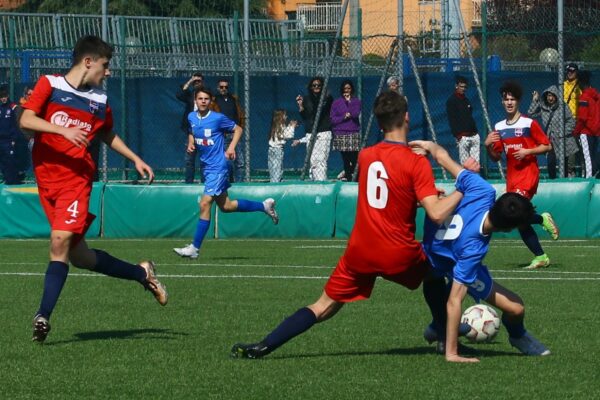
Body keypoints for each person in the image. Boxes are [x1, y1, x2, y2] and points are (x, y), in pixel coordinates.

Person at [230, 91, 465, 359]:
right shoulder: (416, 161)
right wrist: (462, 190)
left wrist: (419, 199)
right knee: (437, 274)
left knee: (322, 306)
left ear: (378, 123)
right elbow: (436, 213)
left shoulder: (366, 156)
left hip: (360, 250)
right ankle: (448, 336)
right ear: (407, 117)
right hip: (397, 252)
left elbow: (387, 195)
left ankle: (263, 346)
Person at [19, 35, 168, 343]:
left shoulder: (99, 101)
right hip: (47, 181)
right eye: (106, 65)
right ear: (88, 62)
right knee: (80, 257)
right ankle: (142, 274)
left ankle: (42, 316)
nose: (108, 72)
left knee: (58, 242)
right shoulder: (49, 84)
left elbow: (107, 135)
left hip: (76, 180)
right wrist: (63, 129)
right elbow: (26, 120)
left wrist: (135, 158)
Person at [413, 140, 551, 363]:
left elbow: (443, 157)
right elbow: (455, 301)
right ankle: (516, 336)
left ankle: (438, 327)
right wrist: (452, 353)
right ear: (508, 229)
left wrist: (428, 145)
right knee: (516, 308)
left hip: (430, 252)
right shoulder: (474, 248)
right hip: (445, 260)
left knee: (433, 278)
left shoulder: (482, 189)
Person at [173, 86, 279, 259]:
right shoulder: (191, 117)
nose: (203, 102)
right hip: (206, 168)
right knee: (226, 206)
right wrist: (191, 142)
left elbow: (238, 129)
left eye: (206, 99)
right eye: (200, 99)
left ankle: (194, 248)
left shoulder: (217, 118)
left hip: (219, 167)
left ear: (211, 100)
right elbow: (192, 131)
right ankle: (264, 206)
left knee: (205, 204)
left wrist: (230, 147)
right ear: (195, 100)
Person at [484, 81, 559, 269]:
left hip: (528, 175)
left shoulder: (528, 123)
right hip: (512, 178)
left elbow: (547, 146)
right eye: (506, 99)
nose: (509, 102)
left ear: (518, 101)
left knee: (514, 212)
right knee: (520, 221)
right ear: (502, 102)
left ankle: (542, 221)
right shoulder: (499, 127)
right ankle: (541, 255)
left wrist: (527, 152)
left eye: (513, 99)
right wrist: (486, 146)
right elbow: (495, 157)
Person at [528, 85, 578, 178]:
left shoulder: (563, 107)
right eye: (548, 96)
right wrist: (535, 100)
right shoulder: (544, 108)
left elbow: (571, 121)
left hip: (563, 140)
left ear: (556, 96)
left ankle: (565, 180)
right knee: (551, 161)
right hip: (550, 140)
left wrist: (562, 132)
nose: (550, 98)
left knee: (565, 163)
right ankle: (553, 180)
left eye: (552, 96)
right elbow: (531, 113)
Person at [293, 76, 333, 181]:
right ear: (311, 87)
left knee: (321, 159)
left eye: (319, 85)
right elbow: (305, 116)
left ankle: (322, 181)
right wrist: (301, 106)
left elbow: (326, 111)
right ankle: (314, 180)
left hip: (323, 131)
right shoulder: (306, 99)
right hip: (310, 131)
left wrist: (324, 97)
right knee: (312, 159)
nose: (316, 87)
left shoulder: (327, 98)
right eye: (314, 85)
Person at [213, 78, 245, 182]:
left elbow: (240, 115)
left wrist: (240, 127)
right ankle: (227, 182)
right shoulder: (214, 100)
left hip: (235, 134)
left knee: (240, 161)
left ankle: (240, 183)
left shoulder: (233, 99)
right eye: (221, 87)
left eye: (226, 87)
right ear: (218, 88)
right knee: (225, 161)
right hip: (222, 134)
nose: (224, 89)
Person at [330, 79, 361, 181]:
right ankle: (348, 176)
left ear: (351, 89)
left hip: (353, 132)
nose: (347, 91)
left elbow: (355, 114)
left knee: (355, 158)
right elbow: (333, 119)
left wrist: (349, 103)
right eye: (345, 89)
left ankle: (356, 177)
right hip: (341, 132)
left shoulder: (356, 101)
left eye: (348, 88)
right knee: (346, 158)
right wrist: (343, 117)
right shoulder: (336, 102)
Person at [176, 72, 204, 183]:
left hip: (204, 130)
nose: (197, 83)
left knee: (204, 158)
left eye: (199, 81)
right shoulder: (190, 94)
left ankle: (205, 182)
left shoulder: (206, 94)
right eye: (195, 81)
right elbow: (179, 94)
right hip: (190, 130)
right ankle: (189, 182)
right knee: (189, 159)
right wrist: (190, 81)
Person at [446, 75, 480, 164]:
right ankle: (465, 178)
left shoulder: (466, 100)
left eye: (465, 87)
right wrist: (458, 136)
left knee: (475, 164)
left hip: (473, 135)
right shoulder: (452, 101)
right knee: (465, 164)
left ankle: (475, 177)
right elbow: (452, 119)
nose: (463, 89)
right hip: (463, 137)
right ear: (456, 86)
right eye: (461, 86)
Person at [574, 70, 599, 178]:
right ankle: (595, 177)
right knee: (593, 156)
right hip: (596, 132)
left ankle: (588, 181)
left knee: (587, 158)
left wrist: (576, 131)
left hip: (586, 132)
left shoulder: (584, 98)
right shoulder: (596, 97)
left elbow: (582, 119)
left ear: (580, 83)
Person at [0, 86, 24, 184]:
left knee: (11, 160)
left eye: (4, 96)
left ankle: (13, 180)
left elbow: (15, 125)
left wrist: (14, 138)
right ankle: (6, 179)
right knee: (2, 160)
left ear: (8, 96)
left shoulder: (13, 107)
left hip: (9, 140)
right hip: (1, 140)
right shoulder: (0, 109)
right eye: (1, 97)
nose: (3, 98)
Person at [268, 109, 297, 183]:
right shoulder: (281, 126)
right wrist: (292, 127)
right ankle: (276, 183)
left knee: (273, 169)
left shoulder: (275, 126)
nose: (286, 117)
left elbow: (284, 133)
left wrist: (290, 126)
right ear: (280, 117)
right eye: (285, 115)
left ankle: (274, 181)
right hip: (277, 150)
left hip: (271, 149)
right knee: (277, 169)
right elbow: (288, 135)